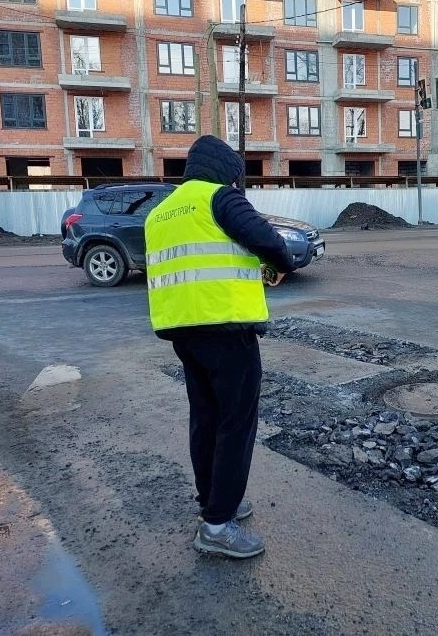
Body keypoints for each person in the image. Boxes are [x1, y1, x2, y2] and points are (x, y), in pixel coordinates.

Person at [144, 135, 296, 558]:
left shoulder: (160, 212)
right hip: (226, 327)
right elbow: (268, 240)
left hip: (182, 329)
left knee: (206, 418)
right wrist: (281, 265)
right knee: (235, 424)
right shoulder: (220, 198)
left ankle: (213, 500)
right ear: (226, 172)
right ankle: (217, 525)